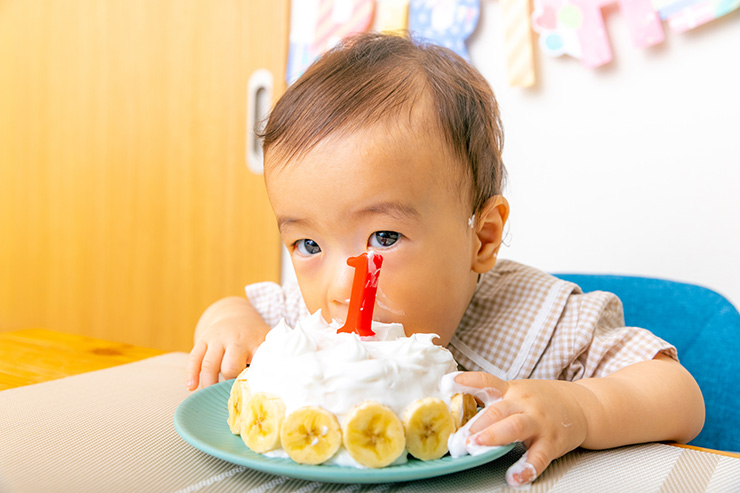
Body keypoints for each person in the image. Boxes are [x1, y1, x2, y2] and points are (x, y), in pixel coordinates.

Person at [185, 32, 704, 486]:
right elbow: (244, 311)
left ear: (481, 238)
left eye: (383, 237)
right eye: (309, 246)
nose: (342, 290)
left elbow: (680, 395)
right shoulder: (316, 325)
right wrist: (227, 322)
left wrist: (581, 409)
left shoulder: (546, 326)